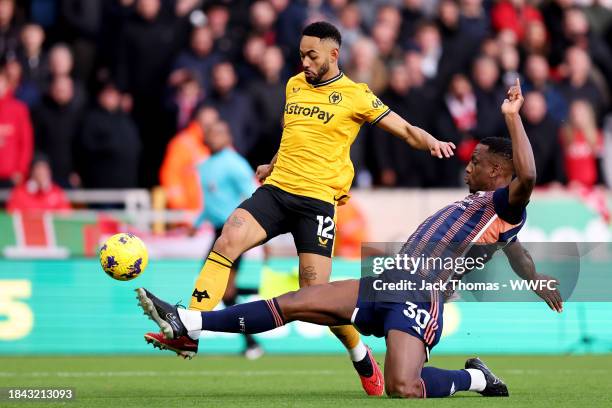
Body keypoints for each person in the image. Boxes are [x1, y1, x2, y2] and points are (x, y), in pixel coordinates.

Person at [136, 79, 564, 399]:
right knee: (300, 301)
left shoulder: (508, 202)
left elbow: (527, 176)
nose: (468, 169)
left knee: (403, 387)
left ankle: (476, 379)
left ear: (499, 173)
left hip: (420, 294)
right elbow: (516, 250)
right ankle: (188, 321)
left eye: (477, 164)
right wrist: (535, 276)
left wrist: (512, 117)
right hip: (391, 279)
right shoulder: (489, 210)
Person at [144, 21, 455, 397]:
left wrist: (432, 141)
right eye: (301, 55)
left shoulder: (356, 95)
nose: (304, 62)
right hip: (276, 192)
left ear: (334, 55)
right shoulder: (293, 86)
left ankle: (361, 355)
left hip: (317, 204)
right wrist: (273, 163)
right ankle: (190, 331)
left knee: (315, 296)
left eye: (312, 55)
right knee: (227, 240)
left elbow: (404, 130)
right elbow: (294, 133)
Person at [151, 120, 263, 359]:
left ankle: (190, 336)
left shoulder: (234, 163)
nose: (213, 136)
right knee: (223, 290)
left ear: (228, 136)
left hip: (234, 231)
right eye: (210, 132)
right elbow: (211, 204)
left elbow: (255, 195)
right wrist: (197, 222)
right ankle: (251, 332)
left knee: (213, 284)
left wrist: (255, 227)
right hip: (217, 231)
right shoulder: (204, 165)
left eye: (219, 132)